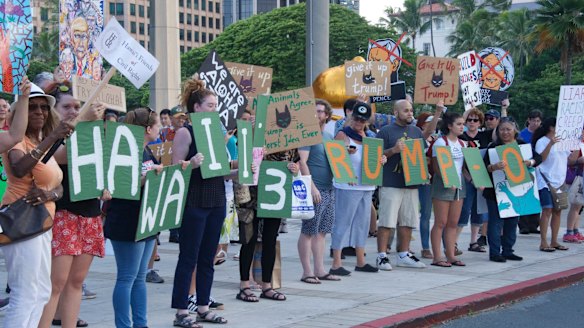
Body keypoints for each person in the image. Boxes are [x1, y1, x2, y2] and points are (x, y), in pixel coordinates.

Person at [2, 80, 73, 328]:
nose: (40, 112)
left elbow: (58, 185)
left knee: (41, 292)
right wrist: (52, 137)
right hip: (22, 223)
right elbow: (20, 169)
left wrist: (49, 195)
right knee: (25, 294)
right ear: (20, 112)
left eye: (44, 107)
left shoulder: (40, 142)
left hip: (41, 222)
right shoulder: (17, 140)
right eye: (33, 107)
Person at [37, 85, 106, 328]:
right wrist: (83, 121)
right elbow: (62, 156)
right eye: (67, 106)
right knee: (55, 283)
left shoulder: (90, 132)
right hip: (63, 214)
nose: (75, 110)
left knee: (76, 281)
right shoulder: (49, 137)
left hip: (89, 214)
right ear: (53, 110)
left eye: (78, 106)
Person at [171, 77, 228, 326]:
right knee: (189, 257)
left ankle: (203, 306)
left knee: (208, 257)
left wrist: (245, 169)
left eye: (216, 105)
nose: (215, 109)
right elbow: (175, 169)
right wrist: (190, 165)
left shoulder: (216, 132)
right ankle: (182, 311)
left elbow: (223, 170)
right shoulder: (185, 131)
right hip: (194, 201)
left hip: (216, 199)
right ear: (197, 108)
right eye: (210, 105)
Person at [104, 107, 162, 328]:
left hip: (144, 219)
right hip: (127, 221)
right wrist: (148, 177)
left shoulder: (146, 150)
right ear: (148, 128)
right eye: (158, 125)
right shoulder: (126, 150)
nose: (161, 129)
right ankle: (123, 325)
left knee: (139, 277)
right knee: (127, 277)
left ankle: (141, 323)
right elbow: (122, 185)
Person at [375, 99, 441, 270]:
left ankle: (403, 254)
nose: (410, 113)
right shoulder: (385, 131)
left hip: (411, 183)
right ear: (396, 113)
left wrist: (423, 172)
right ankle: (381, 255)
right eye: (405, 110)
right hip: (391, 182)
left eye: (411, 110)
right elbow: (374, 156)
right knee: (387, 221)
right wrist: (392, 151)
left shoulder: (416, 131)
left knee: (408, 220)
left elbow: (419, 154)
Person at [329, 102, 386, 275]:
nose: (358, 123)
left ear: (367, 121)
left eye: (362, 120)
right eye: (356, 118)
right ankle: (336, 263)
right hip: (348, 185)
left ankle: (361, 261)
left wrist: (382, 159)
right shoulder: (343, 134)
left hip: (367, 185)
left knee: (363, 223)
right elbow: (333, 158)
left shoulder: (370, 137)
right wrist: (344, 153)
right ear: (350, 117)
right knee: (342, 222)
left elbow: (373, 160)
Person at [484, 118, 539, 262]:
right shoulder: (493, 146)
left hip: (517, 189)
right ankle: (495, 252)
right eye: (502, 129)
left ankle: (508, 250)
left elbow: (537, 158)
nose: (505, 132)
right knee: (495, 223)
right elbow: (485, 167)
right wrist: (494, 167)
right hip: (496, 191)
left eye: (508, 129)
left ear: (514, 130)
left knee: (512, 221)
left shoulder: (522, 145)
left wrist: (530, 162)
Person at [297, 99, 340, 283]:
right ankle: (307, 272)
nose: (317, 114)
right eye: (314, 111)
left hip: (329, 189)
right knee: (308, 230)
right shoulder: (307, 135)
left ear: (327, 115)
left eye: (321, 111)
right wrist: (311, 187)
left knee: (322, 231)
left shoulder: (329, 137)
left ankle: (320, 269)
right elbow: (302, 162)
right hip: (315, 189)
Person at [532, 118, 579, 252]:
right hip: (545, 181)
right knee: (547, 210)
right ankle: (543, 242)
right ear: (551, 128)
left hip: (560, 182)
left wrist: (576, 144)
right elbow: (541, 159)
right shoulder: (542, 141)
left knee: (557, 211)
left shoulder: (563, 142)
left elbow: (571, 160)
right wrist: (551, 144)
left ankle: (554, 241)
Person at [430, 112, 467, 267]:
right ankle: (437, 256)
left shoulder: (463, 144)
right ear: (450, 126)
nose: (462, 126)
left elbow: (464, 167)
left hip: (459, 185)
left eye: (462, 124)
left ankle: (450, 254)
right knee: (441, 222)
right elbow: (436, 166)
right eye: (458, 124)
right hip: (443, 184)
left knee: (453, 222)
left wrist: (476, 180)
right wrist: (447, 180)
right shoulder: (441, 142)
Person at [457, 108, 489, 253]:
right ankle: (454, 242)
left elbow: (502, 127)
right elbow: (460, 163)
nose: (472, 123)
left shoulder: (485, 136)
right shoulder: (461, 137)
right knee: (464, 209)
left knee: (479, 210)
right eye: (469, 120)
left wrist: (504, 109)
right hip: (466, 178)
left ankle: (473, 242)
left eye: (475, 120)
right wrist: (470, 179)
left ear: (480, 122)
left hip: (482, 177)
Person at [517, 110, 544, 234]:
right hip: (524, 166)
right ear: (529, 120)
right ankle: (523, 225)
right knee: (524, 195)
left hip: (537, 167)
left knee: (535, 196)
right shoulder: (522, 134)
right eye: (534, 120)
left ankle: (534, 224)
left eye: (538, 121)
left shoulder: (542, 134)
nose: (536, 123)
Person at [415, 112, 435, 259]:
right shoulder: (418, 139)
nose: (432, 124)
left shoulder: (436, 139)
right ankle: (425, 247)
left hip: (435, 181)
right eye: (429, 122)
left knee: (430, 215)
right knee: (424, 215)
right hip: (421, 181)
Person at [564, 130, 584, 243]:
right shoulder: (574, 143)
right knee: (575, 205)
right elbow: (570, 161)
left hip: (581, 175)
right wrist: (579, 160)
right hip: (577, 176)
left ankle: (575, 231)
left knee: (579, 206)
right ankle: (569, 232)